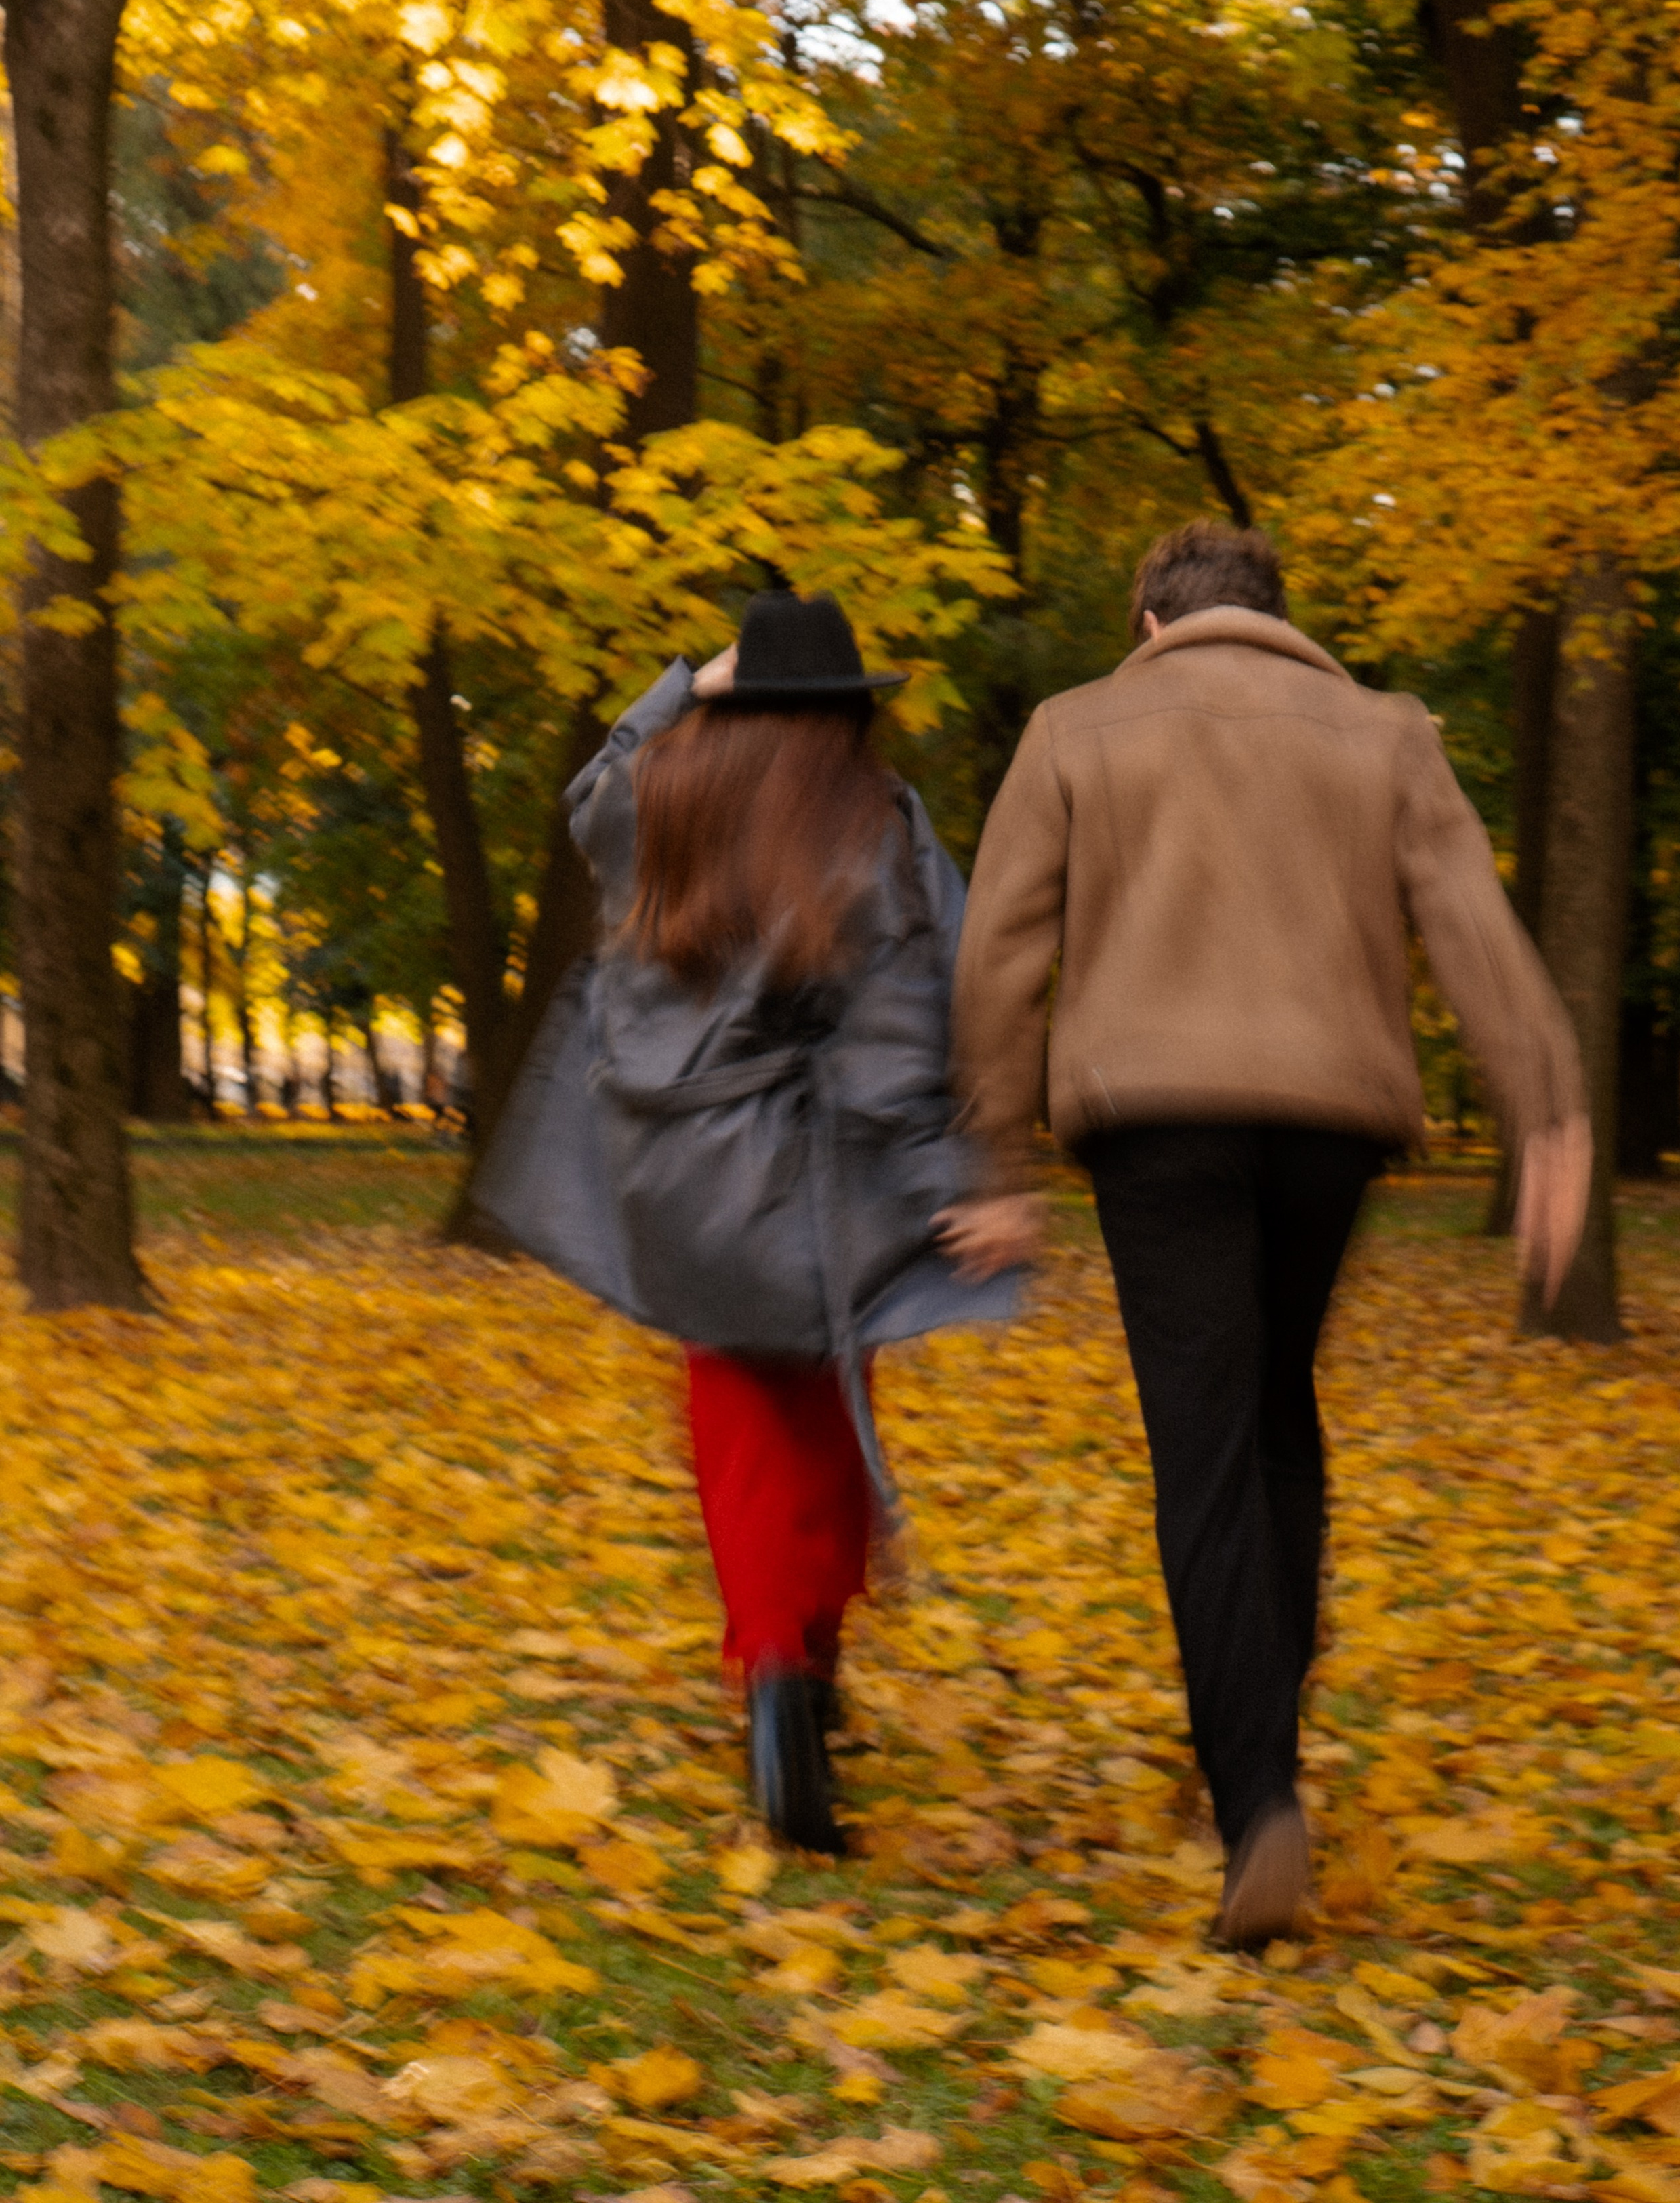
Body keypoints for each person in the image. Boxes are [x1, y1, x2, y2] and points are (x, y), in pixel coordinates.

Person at [940, 520, 1589, 1946]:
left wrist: (992, 1159)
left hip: (1148, 1114)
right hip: (1329, 1126)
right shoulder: (1386, 732)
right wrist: (1546, 1114)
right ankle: (1263, 1720)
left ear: (1150, 618)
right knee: (1278, 1411)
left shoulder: (1074, 726)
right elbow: (1471, 926)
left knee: (1203, 1445)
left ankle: (1257, 1803)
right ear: (1275, 617)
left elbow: (997, 953)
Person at [476, 584, 1022, 1853]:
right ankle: (802, 1670)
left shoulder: (660, 802)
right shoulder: (869, 823)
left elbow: (587, 785)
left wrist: (684, 687)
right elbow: (899, 1039)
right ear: (848, 712)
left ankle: (774, 1659)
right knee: (828, 1410)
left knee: (734, 1426)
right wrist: (959, 1187)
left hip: (665, 1174)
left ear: (736, 695)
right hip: (809, 1182)